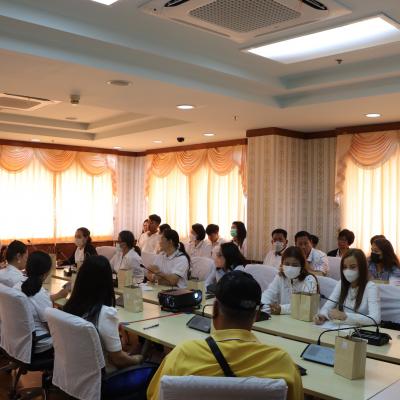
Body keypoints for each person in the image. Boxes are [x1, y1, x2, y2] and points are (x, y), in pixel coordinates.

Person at [147, 271, 303, 400]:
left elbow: (154, 396)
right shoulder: (282, 363)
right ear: (256, 316)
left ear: (215, 310)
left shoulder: (182, 355)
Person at [63, 256, 154, 397]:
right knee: (153, 369)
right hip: (106, 380)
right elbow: (118, 360)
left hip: (76, 374)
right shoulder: (105, 314)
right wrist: (139, 359)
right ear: (107, 281)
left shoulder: (70, 307)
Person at [15, 251, 69, 354]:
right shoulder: (39, 293)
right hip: (40, 343)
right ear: (45, 274)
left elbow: (36, 301)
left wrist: (58, 296)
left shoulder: (17, 286)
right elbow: (51, 327)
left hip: (18, 339)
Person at [314, 249, 381, 326]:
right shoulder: (341, 283)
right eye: (345, 267)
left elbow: (375, 318)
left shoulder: (371, 287)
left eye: (353, 267)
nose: (348, 271)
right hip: (342, 329)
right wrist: (322, 316)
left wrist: (345, 316)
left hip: (361, 331)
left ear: (362, 267)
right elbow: (327, 307)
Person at [261, 246, 318, 315]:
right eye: (287, 264)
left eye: (295, 265)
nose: (290, 268)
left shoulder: (309, 280)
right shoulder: (280, 277)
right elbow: (268, 294)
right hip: (281, 318)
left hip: (301, 318)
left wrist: (282, 309)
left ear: (302, 266)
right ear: (282, 264)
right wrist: (260, 304)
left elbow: (305, 304)